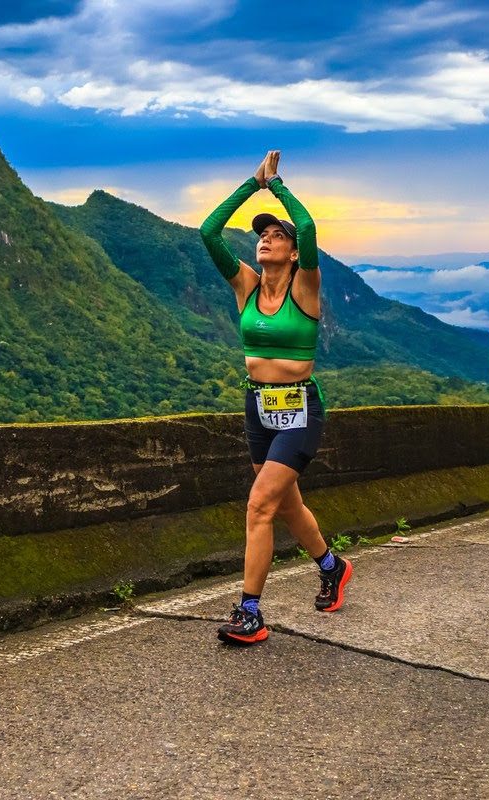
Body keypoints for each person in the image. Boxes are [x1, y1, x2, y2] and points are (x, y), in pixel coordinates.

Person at [199, 150, 352, 645]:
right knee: (284, 505)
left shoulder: (305, 287)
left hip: (299, 407)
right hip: (257, 407)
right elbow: (208, 232)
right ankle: (332, 567)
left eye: (276, 236)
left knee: (259, 504)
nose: (266, 239)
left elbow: (308, 228)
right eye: (262, 235)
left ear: (291, 253)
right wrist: (252, 183)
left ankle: (250, 612)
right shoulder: (245, 285)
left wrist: (278, 185)